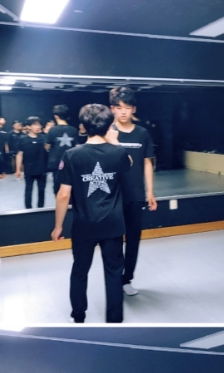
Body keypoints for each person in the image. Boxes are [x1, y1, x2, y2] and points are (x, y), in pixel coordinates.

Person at [51, 103, 132, 323]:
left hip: (84, 225)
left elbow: (63, 195)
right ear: (109, 126)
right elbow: (129, 163)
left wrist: (58, 226)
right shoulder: (119, 152)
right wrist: (115, 142)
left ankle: (78, 316)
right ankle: (114, 320)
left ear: (83, 127)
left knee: (80, 270)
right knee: (114, 272)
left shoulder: (71, 155)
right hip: (113, 225)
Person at [109, 87, 158, 297]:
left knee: (133, 239)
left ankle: (126, 278)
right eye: (119, 108)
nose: (123, 112)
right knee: (113, 240)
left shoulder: (142, 133)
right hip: (112, 196)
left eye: (127, 108)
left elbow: (147, 163)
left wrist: (150, 192)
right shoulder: (107, 132)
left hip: (136, 195)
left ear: (133, 109)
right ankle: (114, 278)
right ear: (112, 109)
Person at [16, 116, 48, 209]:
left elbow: (48, 149)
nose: (38, 127)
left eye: (39, 124)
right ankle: (28, 209)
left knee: (41, 190)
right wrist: (18, 169)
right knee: (28, 190)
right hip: (29, 169)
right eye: (35, 125)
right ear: (28, 126)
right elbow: (19, 154)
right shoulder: (22, 139)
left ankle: (41, 209)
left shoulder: (44, 138)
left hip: (42, 168)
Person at [46, 104, 79, 194]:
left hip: (56, 162)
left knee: (57, 187)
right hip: (70, 162)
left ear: (56, 116)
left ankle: (59, 202)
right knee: (71, 186)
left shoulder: (52, 130)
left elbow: (47, 146)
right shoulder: (74, 130)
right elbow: (77, 146)